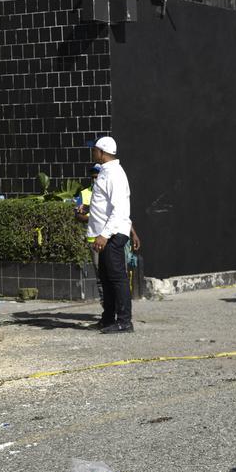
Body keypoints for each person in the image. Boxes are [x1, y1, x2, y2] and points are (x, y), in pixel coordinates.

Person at [86, 136, 135, 334]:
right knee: (106, 278)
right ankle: (108, 319)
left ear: (103, 152)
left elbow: (119, 209)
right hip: (106, 233)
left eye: (95, 149)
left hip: (113, 234)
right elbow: (104, 205)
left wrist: (104, 235)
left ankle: (124, 321)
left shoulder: (114, 173)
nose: (92, 152)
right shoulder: (106, 171)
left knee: (117, 278)